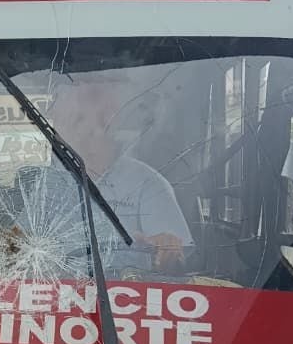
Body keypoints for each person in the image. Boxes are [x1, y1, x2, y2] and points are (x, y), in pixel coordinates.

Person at [46, 71, 193, 274]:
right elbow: (17, 243)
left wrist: (166, 247)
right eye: (67, 121)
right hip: (55, 298)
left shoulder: (148, 182)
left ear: (110, 124)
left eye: (81, 120)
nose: (76, 131)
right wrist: (10, 244)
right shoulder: (48, 184)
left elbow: (176, 265)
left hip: (130, 298)